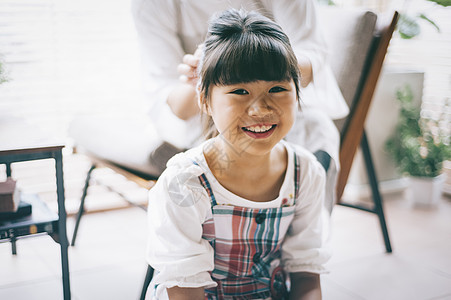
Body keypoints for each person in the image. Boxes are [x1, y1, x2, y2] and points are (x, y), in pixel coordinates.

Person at [146, 9, 331, 299]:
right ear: (205, 100)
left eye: (278, 88)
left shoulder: (305, 172)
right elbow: (183, 289)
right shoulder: (184, 184)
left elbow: (306, 276)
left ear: (297, 94)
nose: (260, 109)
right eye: (240, 92)